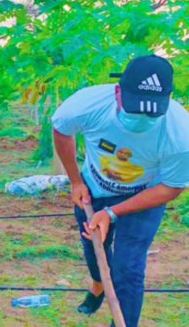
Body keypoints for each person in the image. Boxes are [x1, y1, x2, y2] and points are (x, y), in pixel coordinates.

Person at [52, 55, 189, 327]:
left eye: (151, 112)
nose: (142, 117)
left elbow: (171, 187)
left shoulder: (180, 133)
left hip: (146, 196)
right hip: (94, 187)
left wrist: (113, 213)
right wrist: (76, 181)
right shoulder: (86, 105)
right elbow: (61, 130)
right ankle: (98, 285)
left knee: (128, 267)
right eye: (135, 107)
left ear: (168, 98)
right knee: (93, 245)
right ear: (118, 92)